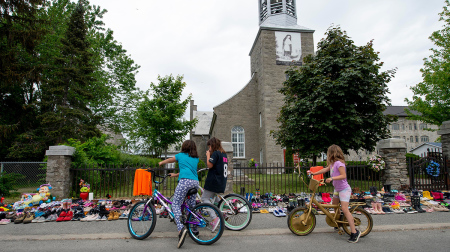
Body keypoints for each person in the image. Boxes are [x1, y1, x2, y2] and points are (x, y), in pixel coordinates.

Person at [308, 144, 361, 243]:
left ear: (332, 153)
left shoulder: (339, 163)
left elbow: (343, 175)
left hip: (344, 189)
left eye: (328, 153)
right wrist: (314, 173)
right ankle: (339, 224)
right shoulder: (332, 164)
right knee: (335, 207)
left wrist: (332, 178)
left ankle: (354, 232)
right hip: (337, 189)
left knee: (345, 209)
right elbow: (325, 169)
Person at [158, 140, 199, 248]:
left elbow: (170, 159)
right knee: (191, 205)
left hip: (185, 182)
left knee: (175, 204)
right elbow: (188, 170)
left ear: (184, 147)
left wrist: (162, 162)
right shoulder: (196, 158)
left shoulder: (180, 155)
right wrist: (176, 175)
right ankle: (194, 229)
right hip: (195, 182)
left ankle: (181, 229)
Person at [203, 137, 228, 232]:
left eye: (209, 146)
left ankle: (214, 218)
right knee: (216, 199)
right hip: (221, 181)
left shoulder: (216, 153)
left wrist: (208, 155)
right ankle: (223, 213)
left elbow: (210, 165)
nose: (209, 148)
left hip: (214, 181)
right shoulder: (224, 154)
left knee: (204, 198)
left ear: (212, 145)